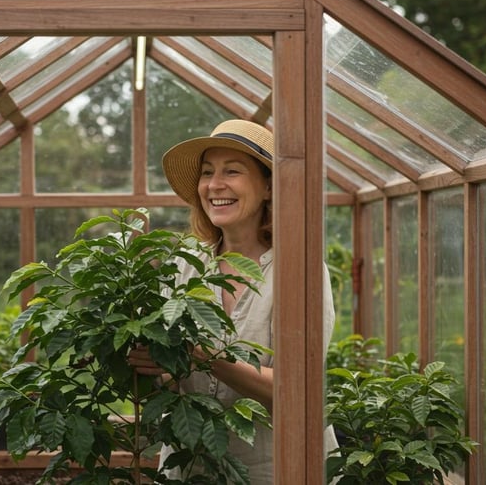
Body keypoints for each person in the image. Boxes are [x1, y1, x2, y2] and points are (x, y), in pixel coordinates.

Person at [127, 119, 338, 484]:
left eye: (232, 171)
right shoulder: (184, 265)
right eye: (207, 173)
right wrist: (142, 361)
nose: (214, 185)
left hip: (277, 469)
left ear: (269, 186)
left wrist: (196, 352)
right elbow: (172, 380)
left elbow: (297, 391)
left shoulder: (298, 270)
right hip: (191, 466)